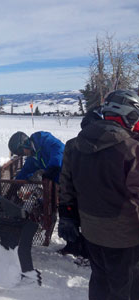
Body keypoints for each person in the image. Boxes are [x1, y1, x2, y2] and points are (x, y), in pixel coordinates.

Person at [58, 89, 139, 300]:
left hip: (92, 231)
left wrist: (68, 215)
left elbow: (66, 187)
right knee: (125, 287)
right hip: (125, 236)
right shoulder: (132, 149)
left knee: (100, 281)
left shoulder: (74, 146)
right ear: (128, 115)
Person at [58, 107, 103, 259]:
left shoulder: (72, 145)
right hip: (86, 196)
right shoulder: (72, 146)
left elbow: (65, 179)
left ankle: (83, 250)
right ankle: (78, 248)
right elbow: (65, 178)